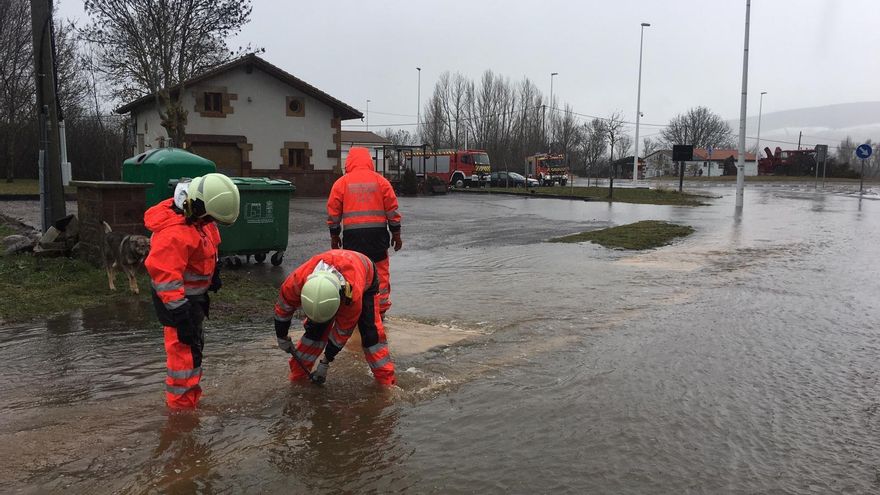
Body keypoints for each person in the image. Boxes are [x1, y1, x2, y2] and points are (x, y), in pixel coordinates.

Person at [144, 173, 240, 409]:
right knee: (183, 359)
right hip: (177, 304)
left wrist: (213, 271)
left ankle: (189, 398)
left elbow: (211, 240)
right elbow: (166, 278)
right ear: (195, 205)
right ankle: (181, 413)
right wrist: (180, 314)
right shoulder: (173, 233)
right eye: (208, 217)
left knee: (194, 351)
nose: (210, 221)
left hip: (192, 301)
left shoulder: (200, 217)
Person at [274, 249, 396, 386]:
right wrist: (281, 335)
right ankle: (298, 376)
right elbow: (282, 309)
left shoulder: (352, 298)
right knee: (314, 332)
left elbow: (342, 332)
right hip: (337, 275)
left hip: (366, 276)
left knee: (371, 335)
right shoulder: (295, 282)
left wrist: (326, 361)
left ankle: (386, 382)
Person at [326, 147, 402, 319]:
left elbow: (333, 213)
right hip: (377, 238)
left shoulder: (342, 183)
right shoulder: (381, 182)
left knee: (354, 273)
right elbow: (392, 210)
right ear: (369, 161)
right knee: (380, 273)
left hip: (353, 240)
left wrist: (334, 236)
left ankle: (354, 308)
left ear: (349, 163)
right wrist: (396, 234)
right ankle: (379, 312)